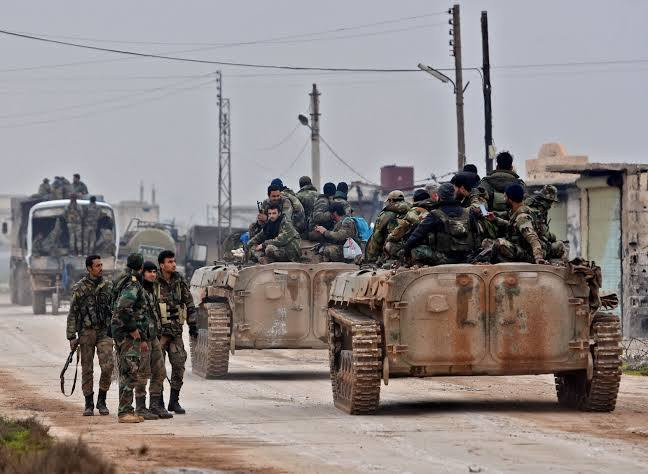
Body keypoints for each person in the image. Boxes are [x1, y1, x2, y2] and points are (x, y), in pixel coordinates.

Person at [66, 255, 114, 416]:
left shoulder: (108, 285)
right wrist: (71, 336)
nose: (101, 268)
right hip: (86, 332)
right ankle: (89, 403)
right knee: (87, 369)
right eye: (97, 266)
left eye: (101, 265)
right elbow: (73, 313)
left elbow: (115, 308)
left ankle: (102, 400)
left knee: (108, 366)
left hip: (104, 332)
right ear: (89, 268)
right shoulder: (79, 288)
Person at [156, 250, 197, 414]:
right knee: (158, 369)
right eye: (170, 262)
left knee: (179, 365)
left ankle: (174, 401)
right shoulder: (153, 281)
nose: (173, 264)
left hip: (175, 333)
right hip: (159, 335)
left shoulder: (179, 280)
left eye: (174, 261)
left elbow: (190, 303)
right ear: (162, 265)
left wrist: (193, 325)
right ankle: (158, 402)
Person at [112, 253, 148, 423]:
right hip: (127, 334)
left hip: (121, 331)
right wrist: (133, 329)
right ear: (141, 267)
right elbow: (123, 307)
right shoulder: (132, 283)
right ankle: (124, 412)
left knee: (127, 371)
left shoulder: (122, 279)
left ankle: (127, 410)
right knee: (130, 372)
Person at [403, 183, 477, 266]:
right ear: (454, 195)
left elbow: (417, 235)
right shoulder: (467, 213)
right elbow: (476, 234)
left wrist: (406, 250)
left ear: (439, 196)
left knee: (416, 250)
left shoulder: (435, 214)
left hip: (444, 259)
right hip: (467, 257)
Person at [135, 261, 173, 420]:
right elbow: (135, 316)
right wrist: (141, 338)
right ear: (142, 273)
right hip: (142, 339)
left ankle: (155, 405)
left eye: (154, 272)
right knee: (142, 373)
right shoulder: (138, 291)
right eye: (149, 272)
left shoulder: (151, 291)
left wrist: (159, 333)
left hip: (153, 337)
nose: (153, 274)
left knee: (160, 371)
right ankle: (140, 407)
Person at [489, 183, 546, 264]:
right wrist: (495, 219)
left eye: (505, 197)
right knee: (487, 242)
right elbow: (512, 226)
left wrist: (538, 257)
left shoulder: (522, 217)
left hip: (528, 255)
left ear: (510, 199)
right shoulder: (518, 211)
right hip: (520, 249)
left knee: (500, 242)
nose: (504, 199)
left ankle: (492, 265)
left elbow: (533, 238)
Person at [385, 189, 437, 255]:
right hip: (437, 248)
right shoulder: (436, 209)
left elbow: (400, 230)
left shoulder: (415, 211)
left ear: (414, 200)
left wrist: (389, 237)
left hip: (421, 249)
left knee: (389, 245)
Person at [364, 190, 410, 264]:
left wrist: (370, 259)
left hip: (391, 255)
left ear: (391, 200)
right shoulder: (413, 211)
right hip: (411, 253)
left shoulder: (386, 215)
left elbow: (377, 238)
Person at [525, 185, 566, 260]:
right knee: (560, 245)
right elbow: (542, 232)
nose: (550, 205)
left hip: (530, 242)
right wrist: (553, 237)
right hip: (532, 246)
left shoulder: (533, 206)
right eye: (551, 202)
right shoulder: (537, 211)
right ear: (547, 201)